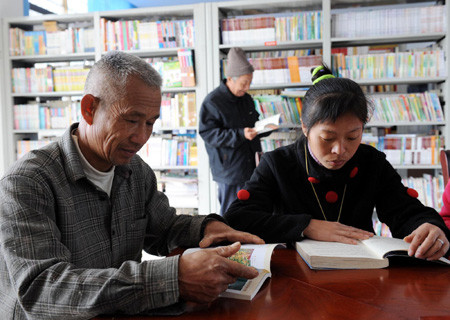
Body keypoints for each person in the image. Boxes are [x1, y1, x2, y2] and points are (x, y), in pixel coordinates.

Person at [0, 51, 265, 320]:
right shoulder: (28, 182)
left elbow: (164, 228)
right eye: (130, 120)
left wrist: (208, 227)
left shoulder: (135, 170)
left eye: (150, 123)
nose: (141, 137)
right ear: (89, 109)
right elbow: (42, 290)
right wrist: (171, 277)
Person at [224, 64, 450, 260]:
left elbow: (404, 210)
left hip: (361, 272)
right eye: (327, 138)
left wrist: (428, 227)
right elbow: (238, 218)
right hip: (294, 274)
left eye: (353, 137)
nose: (340, 150)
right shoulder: (278, 163)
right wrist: (306, 226)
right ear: (305, 127)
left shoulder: (371, 162)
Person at [199, 47, 268, 215]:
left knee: (252, 209)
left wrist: (265, 128)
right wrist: (240, 134)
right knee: (231, 212)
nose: (247, 87)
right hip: (230, 169)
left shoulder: (246, 99)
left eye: (249, 82)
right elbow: (208, 134)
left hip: (252, 165)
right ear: (230, 79)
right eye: (244, 83)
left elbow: (253, 125)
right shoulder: (213, 102)